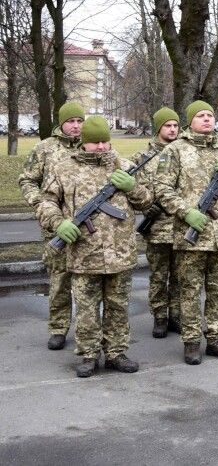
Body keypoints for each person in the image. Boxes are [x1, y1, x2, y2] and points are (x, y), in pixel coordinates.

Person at [37, 116, 152, 377]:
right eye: (95, 142)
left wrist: (133, 187)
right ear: (83, 143)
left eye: (105, 141)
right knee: (87, 308)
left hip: (120, 252)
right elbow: (46, 202)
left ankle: (116, 353)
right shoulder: (63, 167)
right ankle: (88, 354)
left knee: (118, 306)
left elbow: (147, 201)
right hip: (83, 252)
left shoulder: (124, 166)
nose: (101, 147)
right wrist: (58, 223)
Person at [154, 100, 218, 365]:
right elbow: (162, 188)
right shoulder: (175, 150)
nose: (206, 119)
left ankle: (216, 339)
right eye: (201, 116)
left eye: (210, 115)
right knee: (190, 292)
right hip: (191, 234)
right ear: (189, 121)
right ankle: (191, 341)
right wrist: (185, 211)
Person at [19, 102, 84, 350]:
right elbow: (27, 180)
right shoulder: (45, 149)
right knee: (59, 281)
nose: (76, 126)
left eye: (80, 121)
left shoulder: (92, 146)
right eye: (71, 121)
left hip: (87, 226)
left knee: (87, 283)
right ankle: (58, 328)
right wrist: (41, 206)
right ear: (61, 123)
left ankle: (87, 331)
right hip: (55, 226)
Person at [131, 107, 181, 338]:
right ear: (158, 128)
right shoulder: (143, 158)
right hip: (157, 227)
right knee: (159, 276)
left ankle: (176, 316)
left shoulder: (185, 153)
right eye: (167, 125)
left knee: (181, 276)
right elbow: (129, 188)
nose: (172, 129)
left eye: (175, 125)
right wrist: (144, 205)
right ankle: (160, 317)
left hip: (182, 226)